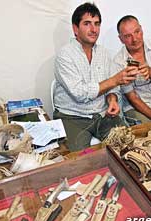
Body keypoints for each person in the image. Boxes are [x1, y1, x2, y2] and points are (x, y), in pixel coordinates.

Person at [53, 4, 138, 151]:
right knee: (79, 161)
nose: (93, 29)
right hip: (72, 116)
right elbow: (80, 94)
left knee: (129, 146)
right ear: (75, 28)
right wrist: (115, 80)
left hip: (102, 114)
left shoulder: (104, 53)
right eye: (87, 24)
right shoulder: (65, 55)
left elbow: (114, 88)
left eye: (97, 24)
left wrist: (112, 100)